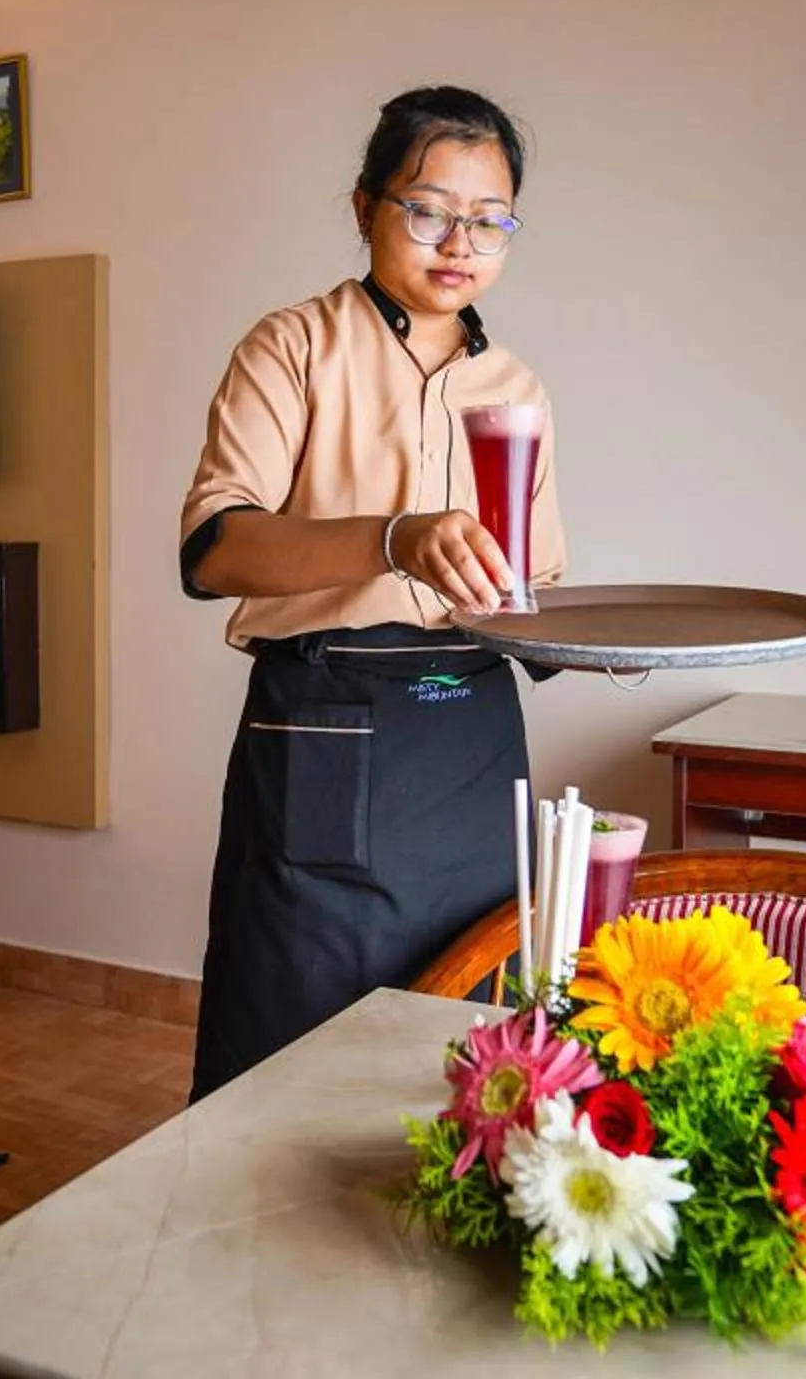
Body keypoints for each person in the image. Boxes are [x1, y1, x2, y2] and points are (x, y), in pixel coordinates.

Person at [176, 86, 564, 1098]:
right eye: (430, 208)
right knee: (291, 1032)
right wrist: (397, 539)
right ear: (365, 207)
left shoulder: (515, 388)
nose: (460, 242)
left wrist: (582, 632)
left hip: (473, 728)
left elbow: (537, 582)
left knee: (469, 1031)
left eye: (490, 220)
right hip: (326, 722)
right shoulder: (292, 347)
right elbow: (216, 550)